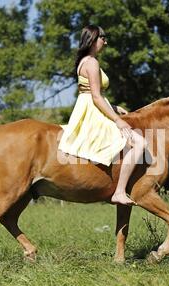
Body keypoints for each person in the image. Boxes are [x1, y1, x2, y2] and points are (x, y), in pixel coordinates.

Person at [58, 25, 147, 206]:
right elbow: (96, 97)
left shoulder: (85, 61)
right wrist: (118, 120)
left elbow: (92, 94)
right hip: (93, 111)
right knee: (140, 143)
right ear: (92, 39)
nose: (105, 42)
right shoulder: (91, 63)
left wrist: (114, 107)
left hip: (89, 106)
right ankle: (120, 191)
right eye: (102, 38)